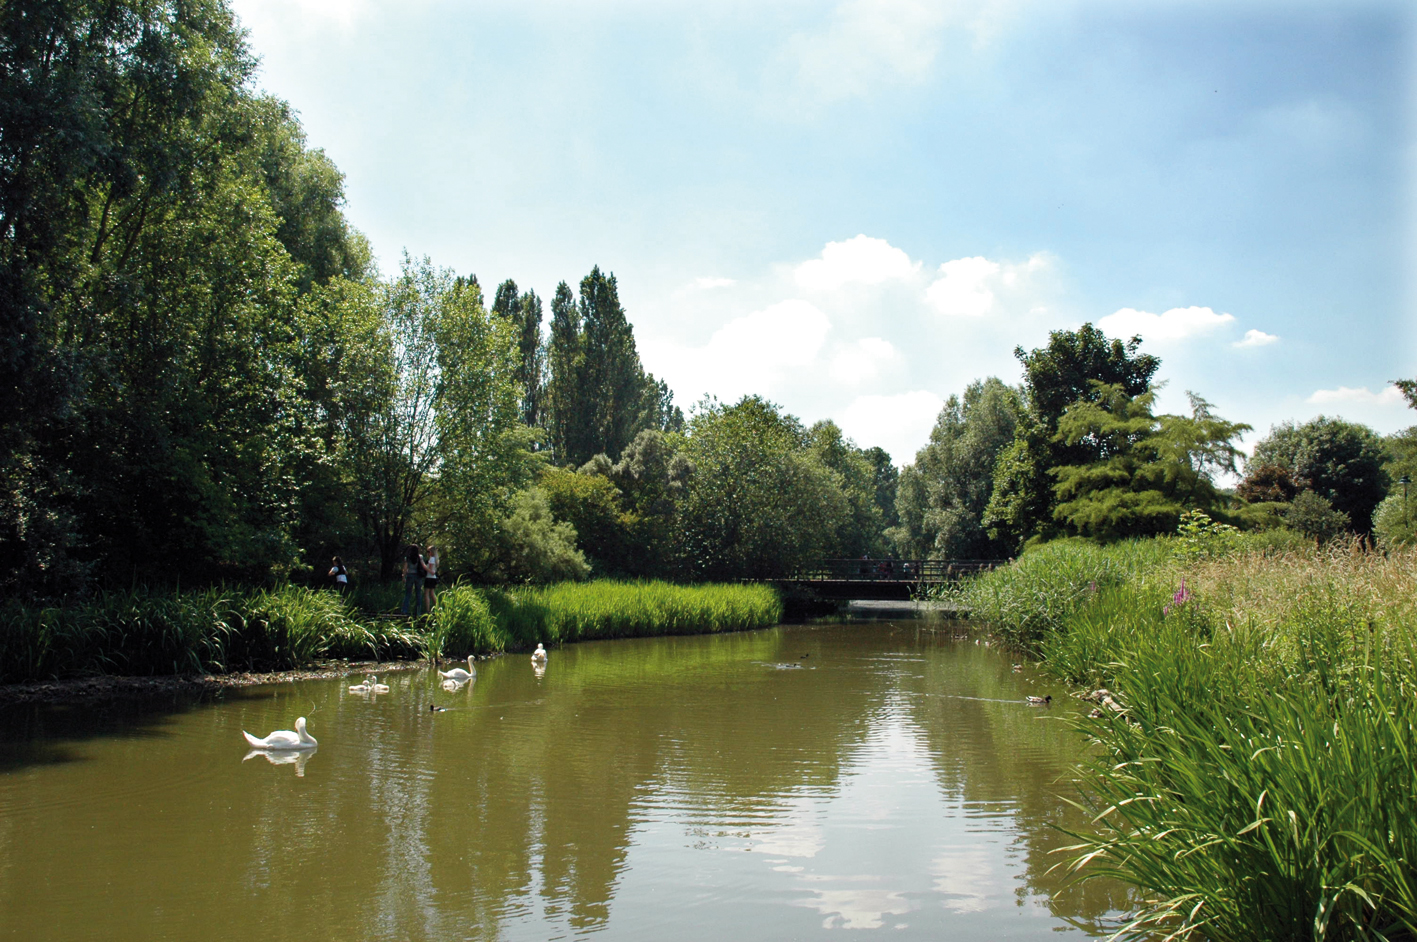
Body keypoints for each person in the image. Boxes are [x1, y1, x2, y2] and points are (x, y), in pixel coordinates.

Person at [400, 544, 426, 617]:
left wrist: (403, 576)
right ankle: (418, 612)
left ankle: (404, 611)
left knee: (408, 594)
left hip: (410, 576)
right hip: (418, 576)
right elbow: (423, 566)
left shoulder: (407, 558)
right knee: (418, 593)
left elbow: (405, 568)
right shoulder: (420, 557)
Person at [422, 545, 440, 611]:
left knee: (426, 594)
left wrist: (423, 565)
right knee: (432, 594)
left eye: (428, 551)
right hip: (433, 578)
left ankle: (428, 610)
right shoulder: (435, 559)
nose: (428, 553)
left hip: (429, 577)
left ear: (431, 552)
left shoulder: (432, 559)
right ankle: (437, 608)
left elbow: (430, 570)